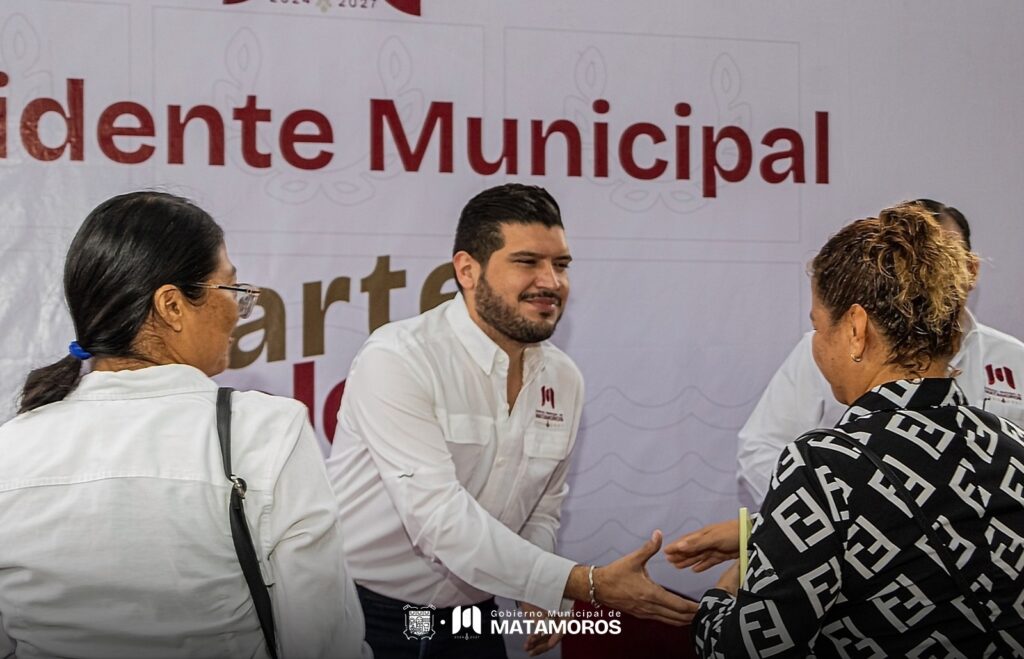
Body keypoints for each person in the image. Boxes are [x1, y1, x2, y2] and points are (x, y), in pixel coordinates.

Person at [326, 183, 696, 659]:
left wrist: (539, 590)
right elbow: (441, 523)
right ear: (467, 270)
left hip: (471, 614)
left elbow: (539, 507)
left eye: (560, 265)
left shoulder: (564, 378)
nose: (551, 282)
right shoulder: (398, 358)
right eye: (527, 262)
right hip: (365, 611)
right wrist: (584, 584)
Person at [0, 192, 369, 659]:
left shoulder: (10, 448)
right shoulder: (265, 431)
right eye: (231, 290)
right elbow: (322, 643)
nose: (239, 310)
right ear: (172, 306)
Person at [671, 204, 1024, 656]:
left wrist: (721, 597)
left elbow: (749, 649)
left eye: (818, 327)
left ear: (856, 329)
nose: (816, 346)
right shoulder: (1012, 447)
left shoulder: (821, 465)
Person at [736, 199, 1024, 505]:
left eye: (940, 261)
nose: (924, 274)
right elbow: (761, 448)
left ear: (969, 270)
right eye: (909, 260)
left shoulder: (1013, 362)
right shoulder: (822, 468)